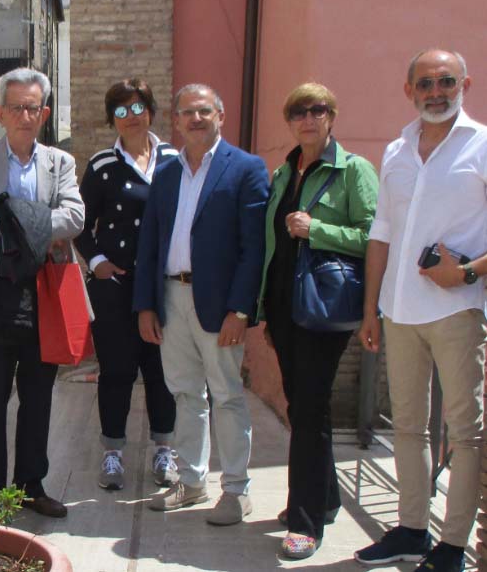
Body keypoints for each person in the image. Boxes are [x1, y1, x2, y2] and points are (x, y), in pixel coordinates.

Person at [355, 49, 486, 572]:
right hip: (399, 310)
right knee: (407, 427)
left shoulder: (482, 145)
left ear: (465, 85)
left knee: (464, 431)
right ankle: (412, 529)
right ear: (409, 90)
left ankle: (452, 545)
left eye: (446, 81)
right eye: (426, 83)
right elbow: (382, 232)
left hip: (457, 310)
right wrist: (371, 309)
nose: (436, 92)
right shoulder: (397, 149)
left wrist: (468, 272)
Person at [133, 83, 268, 525]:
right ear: (175, 121)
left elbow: (254, 248)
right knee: (185, 393)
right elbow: (150, 242)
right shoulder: (167, 173)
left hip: (220, 305)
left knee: (227, 395)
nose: (195, 119)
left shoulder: (245, 168)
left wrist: (240, 310)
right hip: (171, 296)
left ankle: (236, 490)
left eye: (204, 111)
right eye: (187, 112)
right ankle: (191, 481)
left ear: (220, 116)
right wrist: (146, 304)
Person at [0, 67, 84, 518]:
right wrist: (36, 228)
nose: (24, 116)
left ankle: (31, 485)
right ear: (0, 113)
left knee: (38, 394)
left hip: (43, 290)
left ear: (44, 113)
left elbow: (74, 217)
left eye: (32, 108)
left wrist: (6, 226)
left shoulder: (59, 162)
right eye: (16, 108)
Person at [256, 83, 378, 558]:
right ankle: (324, 498)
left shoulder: (353, 170)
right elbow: (272, 245)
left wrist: (318, 229)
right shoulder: (284, 172)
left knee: (308, 409)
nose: (308, 118)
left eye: (317, 110)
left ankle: (305, 521)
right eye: (298, 112)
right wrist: (264, 308)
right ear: (289, 121)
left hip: (324, 309)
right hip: (285, 306)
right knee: (304, 407)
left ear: (332, 116)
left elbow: (373, 237)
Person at [74, 79, 178, 491]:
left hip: (164, 285)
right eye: (121, 111)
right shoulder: (102, 165)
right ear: (111, 118)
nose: (131, 117)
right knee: (116, 370)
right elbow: (81, 223)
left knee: (162, 371)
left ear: (150, 111)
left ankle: (164, 449)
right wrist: (97, 263)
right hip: (116, 287)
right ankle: (113, 452)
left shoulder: (174, 161)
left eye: (137, 108)